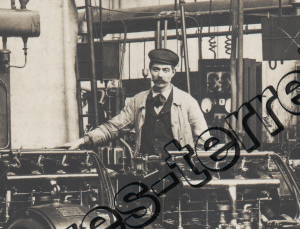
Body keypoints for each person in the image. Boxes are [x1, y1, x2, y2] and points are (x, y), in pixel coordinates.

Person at [64, 48, 208, 155]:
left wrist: (194, 166)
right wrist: (83, 140)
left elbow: (203, 139)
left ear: (173, 72)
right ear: (150, 71)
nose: (160, 75)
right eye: (156, 69)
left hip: (177, 172)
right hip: (146, 171)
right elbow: (113, 128)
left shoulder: (187, 102)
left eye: (165, 70)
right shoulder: (138, 100)